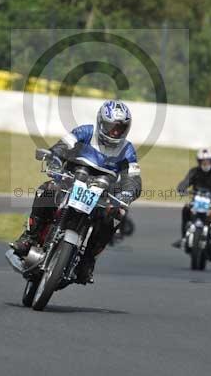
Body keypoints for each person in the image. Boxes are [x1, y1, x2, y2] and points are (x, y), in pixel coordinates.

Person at [11, 100, 142, 283]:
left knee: (117, 214)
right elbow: (62, 146)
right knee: (47, 190)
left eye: (120, 129)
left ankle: (88, 260)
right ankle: (29, 237)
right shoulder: (85, 132)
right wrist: (54, 157)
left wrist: (128, 193)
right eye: (112, 127)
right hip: (71, 180)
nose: (115, 132)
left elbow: (133, 177)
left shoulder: (127, 149)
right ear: (101, 122)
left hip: (102, 193)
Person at [172, 148, 211, 251]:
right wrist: (182, 189)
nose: (205, 163)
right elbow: (184, 183)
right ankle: (184, 238)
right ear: (199, 161)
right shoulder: (194, 172)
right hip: (196, 201)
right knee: (185, 209)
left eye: (208, 160)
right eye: (203, 161)